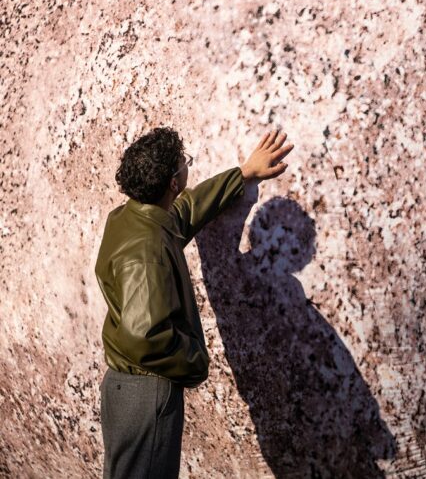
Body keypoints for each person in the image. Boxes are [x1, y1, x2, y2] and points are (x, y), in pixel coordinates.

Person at [94, 126, 294, 479]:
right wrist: (196, 361)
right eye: (184, 163)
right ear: (173, 181)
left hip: (125, 387)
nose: (188, 166)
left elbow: (182, 214)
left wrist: (243, 174)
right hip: (147, 395)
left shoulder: (131, 218)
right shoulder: (148, 251)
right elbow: (145, 337)